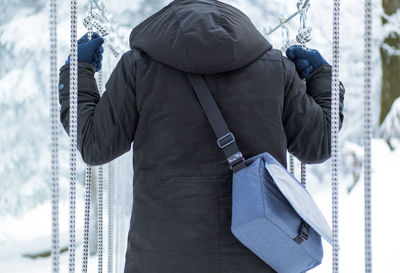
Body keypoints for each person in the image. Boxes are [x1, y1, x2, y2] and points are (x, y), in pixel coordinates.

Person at [58, 0, 345, 272]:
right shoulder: (275, 66)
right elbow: (317, 145)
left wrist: (77, 74)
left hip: (160, 258)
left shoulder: (137, 66)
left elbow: (95, 145)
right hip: (260, 253)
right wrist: (321, 76)